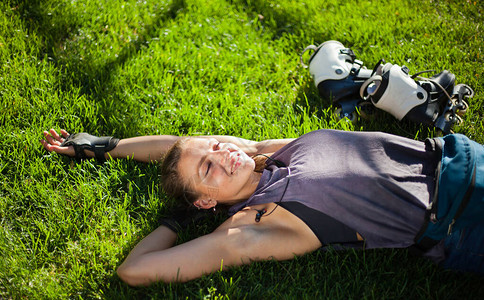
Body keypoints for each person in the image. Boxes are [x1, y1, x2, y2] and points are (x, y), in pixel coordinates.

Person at [41, 128, 484, 285]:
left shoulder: (265, 153)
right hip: (463, 214)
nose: (223, 154)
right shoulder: (253, 226)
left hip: (459, 155)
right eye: (209, 168)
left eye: (216, 145)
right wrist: (178, 220)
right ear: (206, 201)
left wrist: (104, 147)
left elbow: (180, 147)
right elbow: (132, 271)